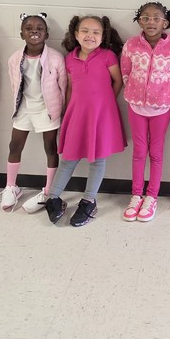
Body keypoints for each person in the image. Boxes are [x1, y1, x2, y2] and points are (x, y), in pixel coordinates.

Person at [44, 15, 127, 227]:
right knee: (69, 158)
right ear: (76, 34)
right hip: (77, 114)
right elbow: (71, 87)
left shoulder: (108, 56)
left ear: (103, 36)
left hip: (101, 115)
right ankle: (53, 197)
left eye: (96, 32)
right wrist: (68, 111)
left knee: (97, 159)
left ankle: (89, 201)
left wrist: (107, 102)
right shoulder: (70, 59)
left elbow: (117, 81)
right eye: (85, 31)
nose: (90, 35)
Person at [120, 2, 170, 223]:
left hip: (161, 108)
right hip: (136, 106)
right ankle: (136, 194)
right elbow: (125, 72)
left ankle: (151, 196)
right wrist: (134, 92)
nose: (151, 22)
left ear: (165, 22)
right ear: (139, 21)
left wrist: (164, 96)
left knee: (156, 152)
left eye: (156, 18)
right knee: (139, 151)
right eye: (145, 17)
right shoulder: (130, 45)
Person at [2, 13, 67, 212]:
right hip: (24, 108)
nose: (34, 31)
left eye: (39, 28)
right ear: (22, 34)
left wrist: (59, 112)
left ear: (46, 34)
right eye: (29, 28)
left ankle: (48, 190)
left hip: (46, 110)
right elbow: (15, 85)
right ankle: (11, 186)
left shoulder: (55, 58)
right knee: (14, 145)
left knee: (50, 147)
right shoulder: (15, 58)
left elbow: (63, 87)